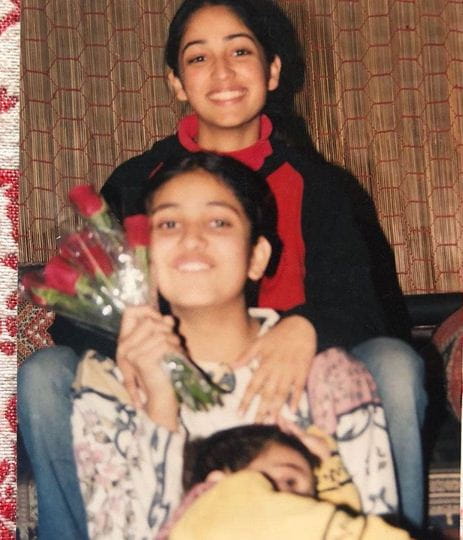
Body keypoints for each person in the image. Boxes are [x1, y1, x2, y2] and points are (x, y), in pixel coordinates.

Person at [18, 0, 426, 536]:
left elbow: (367, 307)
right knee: (44, 375)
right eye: (198, 58)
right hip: (163, 383)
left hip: (293, 384)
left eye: (239, 52)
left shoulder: (320, 185)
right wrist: (143, 350)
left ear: (272, 70)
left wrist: (305, 328)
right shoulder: (137, 183)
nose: (222, 72)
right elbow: (83, 311)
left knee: (394, 365)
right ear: (176, 82)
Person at [70, 152, 397, 538]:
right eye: (169, 223)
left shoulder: (327, 377)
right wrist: (160, 407)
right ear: (143, 258)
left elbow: (376, 528)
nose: (192, 238)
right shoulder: (109, 383)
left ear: (257, 257)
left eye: (219, 222)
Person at [158, 423, 412, 539]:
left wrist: (327, 463)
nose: (304, 502)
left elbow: (335, 515)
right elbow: (336, 528)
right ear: (218, 482)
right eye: (289, 482)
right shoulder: (221, 513)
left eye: (310, 493)